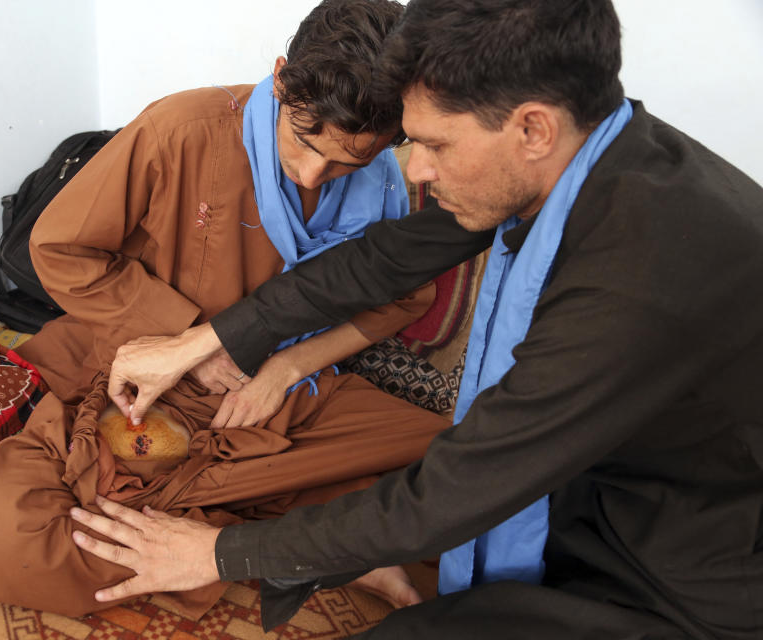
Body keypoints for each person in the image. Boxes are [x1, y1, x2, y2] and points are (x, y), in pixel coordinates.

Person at [72, 0, 763, 638]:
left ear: (531, 128)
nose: (420, 172)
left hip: (681, 575)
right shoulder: (598, 151)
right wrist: (203, 339)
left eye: (434, 145)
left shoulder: (637, 275)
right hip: (595, 494)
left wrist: (221, 553)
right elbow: (380, 263)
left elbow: (456, 490)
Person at [0, 0, 453, 621]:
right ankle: (324, 542)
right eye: (304, 141)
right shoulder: (182, 131)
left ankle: (264, 539)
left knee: (467, 469)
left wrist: (284, 369)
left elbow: (400, 298)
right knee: (22, 547)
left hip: (291, 390)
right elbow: (59, 250)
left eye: (346, 162)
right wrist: (193, 342)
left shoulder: (385, 178)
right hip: (157, 374)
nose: (312, 175)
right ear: (281, 78)